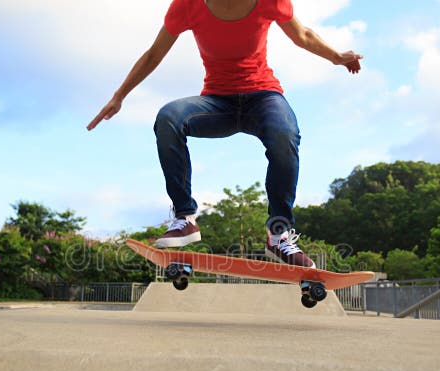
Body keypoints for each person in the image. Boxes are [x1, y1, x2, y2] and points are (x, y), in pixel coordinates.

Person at [88, 0, 363, 268]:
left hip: (263, 98)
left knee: (284, 133)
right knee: (169, 118)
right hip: (217, 104)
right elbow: (153, 54)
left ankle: (279, 234)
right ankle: (185, 217)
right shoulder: (187, 5)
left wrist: (337, 57)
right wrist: (119, 96)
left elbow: (303, 35)